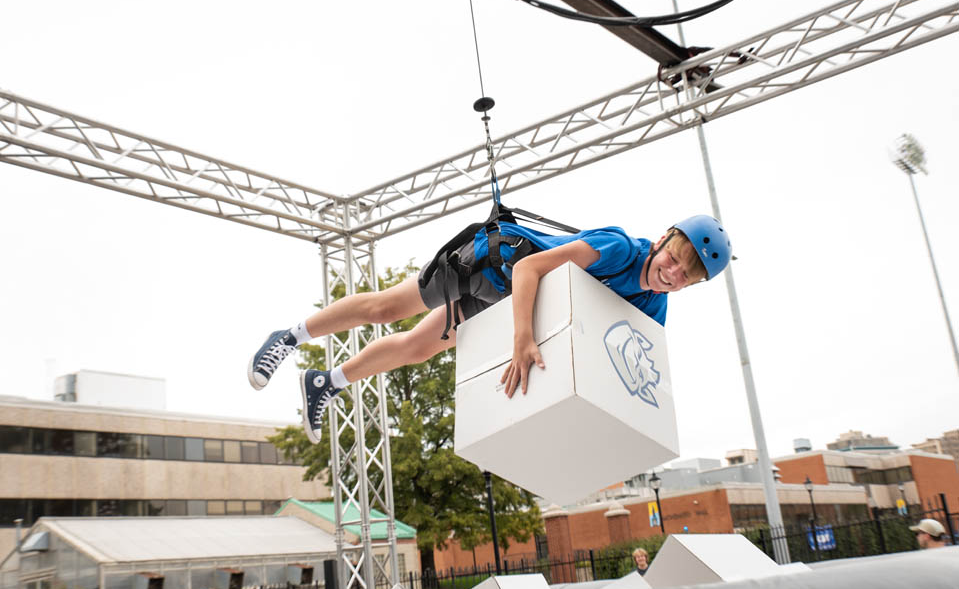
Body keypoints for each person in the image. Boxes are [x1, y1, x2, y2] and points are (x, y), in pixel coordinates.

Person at [248, 214, 732, 443]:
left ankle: (325, 383)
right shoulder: (620, 249)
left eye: (687, 275)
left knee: (419, 347)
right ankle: (288, 337)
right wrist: (522, 338)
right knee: (388, 308)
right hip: (493, 266)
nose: (672, 272)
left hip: (504, 305)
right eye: (674, 257)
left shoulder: (653, 306)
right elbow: (528, 272)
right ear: (664, 238)